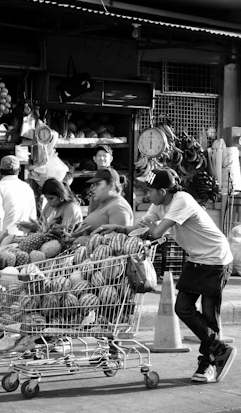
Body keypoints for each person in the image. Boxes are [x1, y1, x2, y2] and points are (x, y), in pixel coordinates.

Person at [95, 168, 236, 384]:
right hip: (196, 258)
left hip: (216, 259)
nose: (146, 195)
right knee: (182, 308)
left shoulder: (182, 201)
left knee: (209, 315)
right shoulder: (158, 204)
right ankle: (220, 350)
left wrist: (150, 229)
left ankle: (207, 363)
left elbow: (157, 233)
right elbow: (139, 229)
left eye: (149, 191)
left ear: (163, 191)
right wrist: (118, 228)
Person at [72, 168, 133, 245]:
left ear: (111, 186)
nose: (92, 188)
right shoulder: (107, 203)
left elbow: (119, 242)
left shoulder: (118, 207)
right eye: (93, 184)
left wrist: (89, 241)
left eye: (97, 184)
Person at [0, 155, 37, 247]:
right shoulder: (27, 187)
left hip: (5, 240)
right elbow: (32, 218)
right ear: (19, 170)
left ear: (0, 170)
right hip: (23, 240)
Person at [18, 177, 82, 232]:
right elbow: (41, 225)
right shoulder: (49, 205)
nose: (49, 202)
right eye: (47, 199)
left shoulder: (71, 208)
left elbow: (65, 231)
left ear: (61, 197)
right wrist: (28, 226)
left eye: (51, 198)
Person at [89, 145, 114, 213]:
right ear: (94, 159)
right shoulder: (98, 175)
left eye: (105, 156)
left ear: (111, 159)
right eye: (99, 155)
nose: (102, 158)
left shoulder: (111, 175)